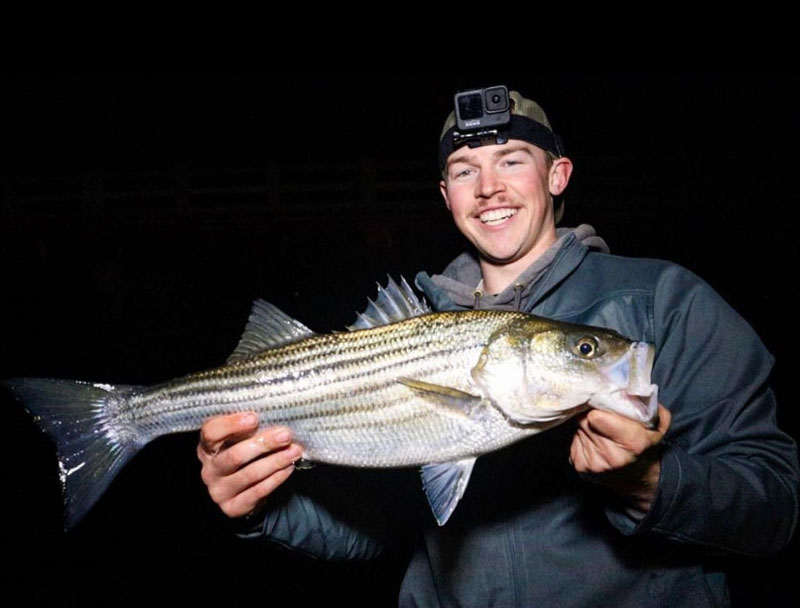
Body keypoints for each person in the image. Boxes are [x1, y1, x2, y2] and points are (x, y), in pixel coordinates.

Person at [196, 87, 799, 606]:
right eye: (464, 169)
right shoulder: (418, 324)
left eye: (512, 159)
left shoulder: (665, 301)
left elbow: (774, 508)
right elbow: (377, 532)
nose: (488, 187)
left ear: (557, 174)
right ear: (445, 194)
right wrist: (259, 509)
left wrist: (654, 482)